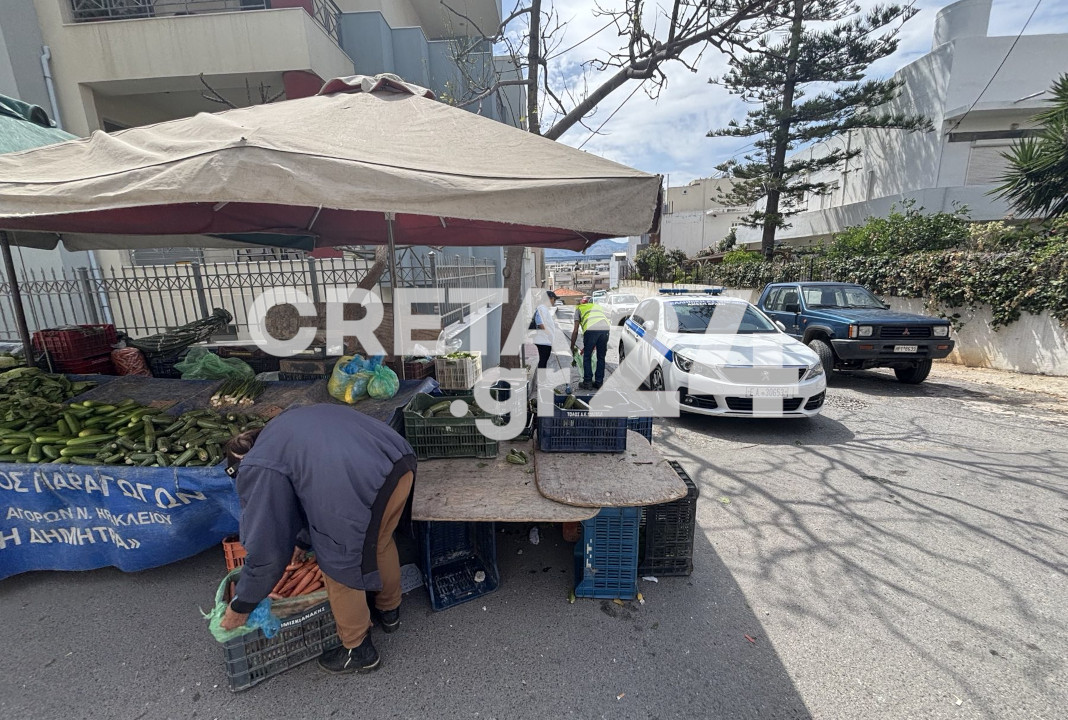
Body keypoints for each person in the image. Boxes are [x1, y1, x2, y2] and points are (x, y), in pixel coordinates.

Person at [219, 404, 417, 675]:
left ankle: (358, 650)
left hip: (359, 480)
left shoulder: (259, 464)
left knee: (339, 565)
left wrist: (242, 605)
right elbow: (307, 486)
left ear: (241, 464)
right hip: (397, 462)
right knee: (379, 542)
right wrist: (302, 541)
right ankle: (389, 611)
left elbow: (267, 551)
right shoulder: (282, 427)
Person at [570, 295, 612, 390]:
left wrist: (572, 346)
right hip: (605, 329)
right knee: (601, 357)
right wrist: (592, 344)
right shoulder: (597, 306)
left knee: (587, 356)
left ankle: (587, 382)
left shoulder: (579, 308)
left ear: (582, 302)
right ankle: (599, 382)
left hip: (591, 330)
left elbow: (575, 330)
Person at [532, 290, 559, 369]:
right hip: (543, 340)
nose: (554, 301)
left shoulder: (543, 308)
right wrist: (549, 334)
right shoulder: (542, 308)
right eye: (554, 299)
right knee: (543, 361)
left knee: (543, 361)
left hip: (544, 340)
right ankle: (541, 376)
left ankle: (542, 376)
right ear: (549, 299)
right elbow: (540, 323)